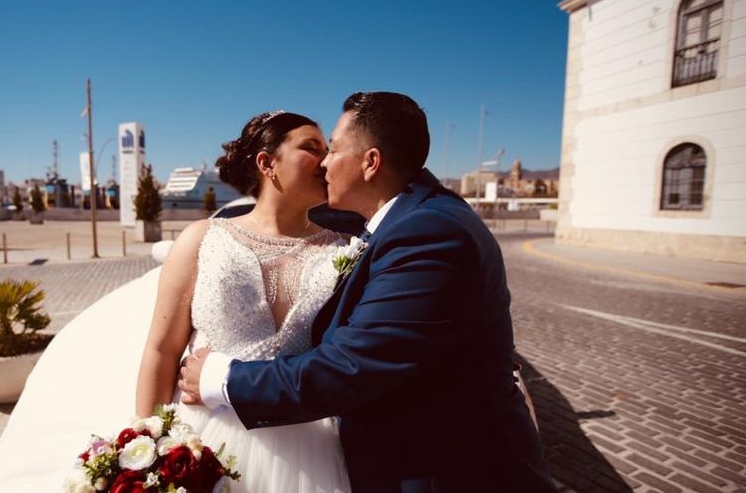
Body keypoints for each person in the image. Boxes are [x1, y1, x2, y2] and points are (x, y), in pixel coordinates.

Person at [181, 92, 556, 492]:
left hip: (448, 473)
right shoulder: (408, 219)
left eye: (334, 149)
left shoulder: (429, 233)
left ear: (370, 162)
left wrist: (221, 379)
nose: (324, 163)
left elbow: (350, 366)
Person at [135, 110, 352, 492]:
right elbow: (162, 349)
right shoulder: (202, 239)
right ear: (267, 163)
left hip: (306, 453)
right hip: (203, 442)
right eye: (311, 148)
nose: (327, 159)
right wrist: (147, 448)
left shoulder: (342, 250)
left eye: (329, 149)